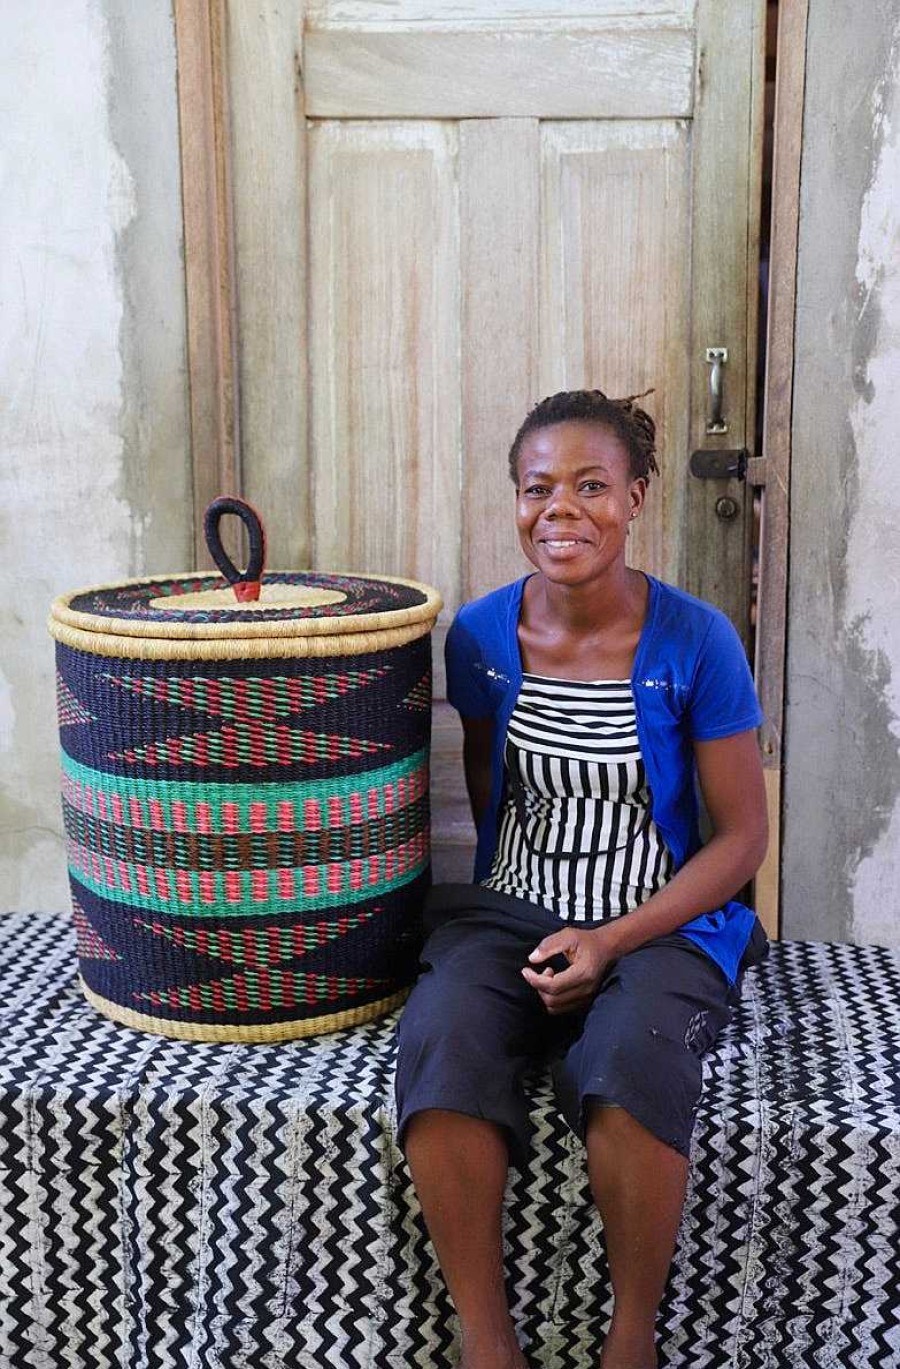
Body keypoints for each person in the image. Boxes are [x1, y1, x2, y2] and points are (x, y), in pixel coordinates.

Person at [395, 389, 769, 1369]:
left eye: (592, 485)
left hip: (658, 923)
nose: (562, 509)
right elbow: (495, 794)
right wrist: (531, 925)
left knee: (635, 1059)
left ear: (637, 497)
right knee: (440, 1043)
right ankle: (488, 1343)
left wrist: (609, 938)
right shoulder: (478, 638)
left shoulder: (698, 642)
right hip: (511, 905)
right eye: (538, 487)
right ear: (514, 501)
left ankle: (631, 1340)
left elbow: (740, 840)